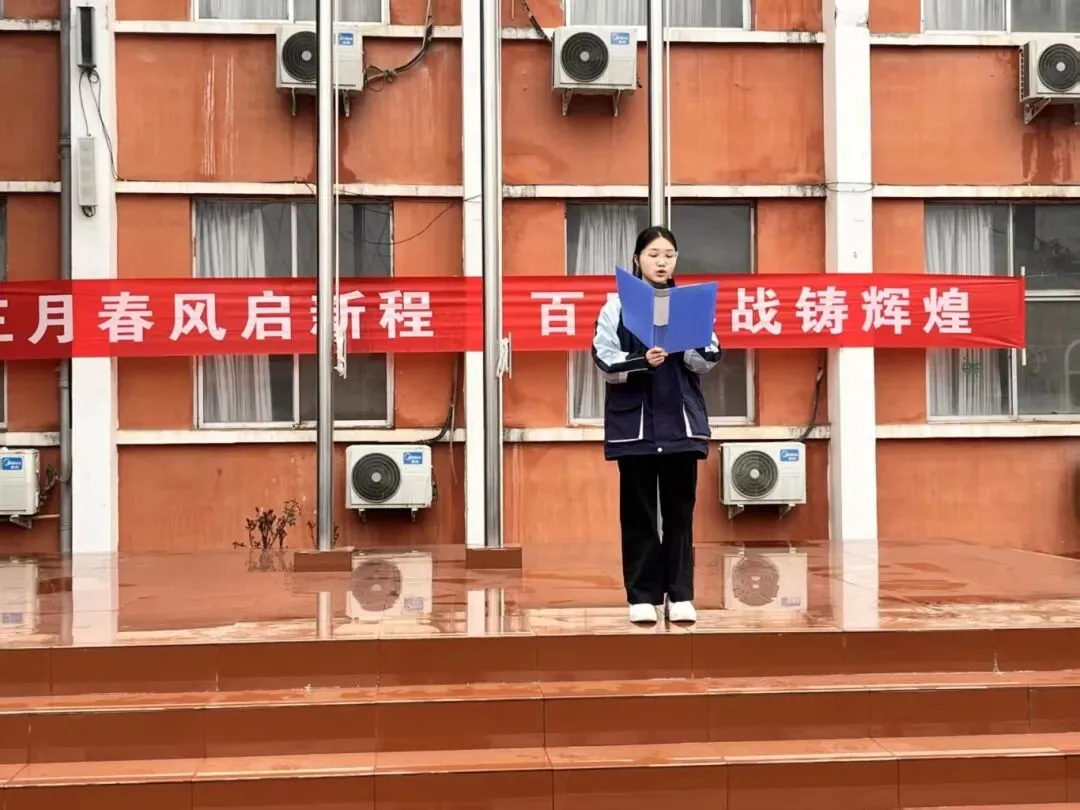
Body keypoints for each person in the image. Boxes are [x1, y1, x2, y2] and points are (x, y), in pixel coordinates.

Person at [590, 225, 721, 625]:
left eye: (669, 255)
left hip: (680, 424)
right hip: (636, 426)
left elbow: (708, 357)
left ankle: (680, 595)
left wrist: (689, 342)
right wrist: (640, 361)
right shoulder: (616, 307)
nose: (662, 262)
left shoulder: (691, 305)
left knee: (680, 513)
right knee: (639, 512)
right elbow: (604, 359)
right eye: (653, 255)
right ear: (637, 260)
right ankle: (642, 596)